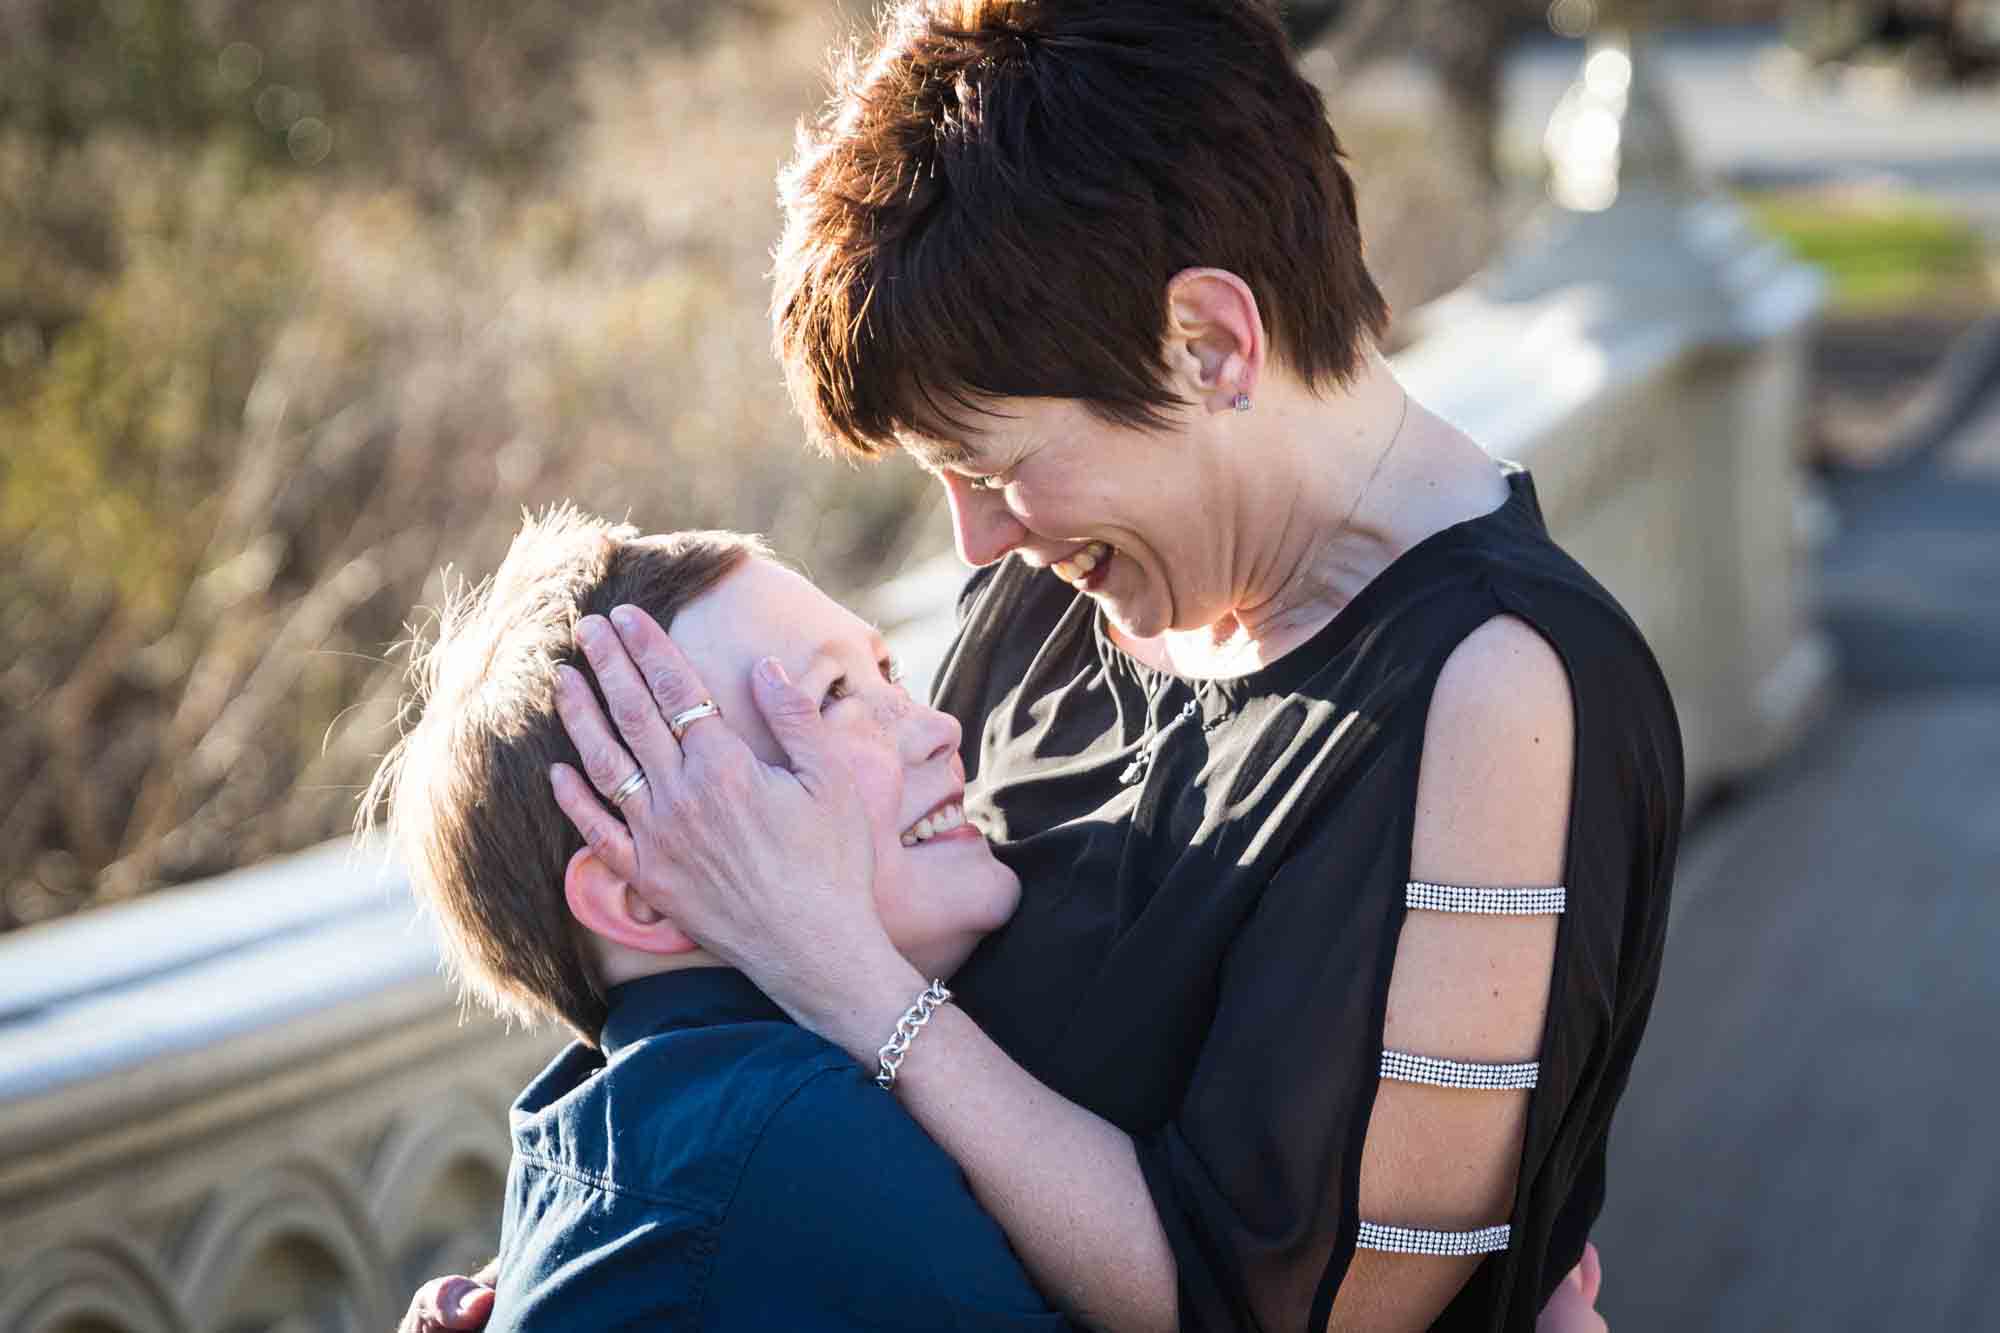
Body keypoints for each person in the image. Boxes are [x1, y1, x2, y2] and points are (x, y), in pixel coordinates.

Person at [413, 1, 1672, 1329]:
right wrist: (625, 1259)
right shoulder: (1045, 604)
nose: (978, 536)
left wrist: (853, 978)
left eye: (996, 466)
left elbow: (1285, 1317)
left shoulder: (1498, 688)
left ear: (1211, 345)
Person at [367, 507, 1076, 1331]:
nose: (937, 728)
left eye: (889, 674)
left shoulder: (609, 1129)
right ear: (642, 892)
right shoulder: (790, 1141)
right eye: (830, 698)